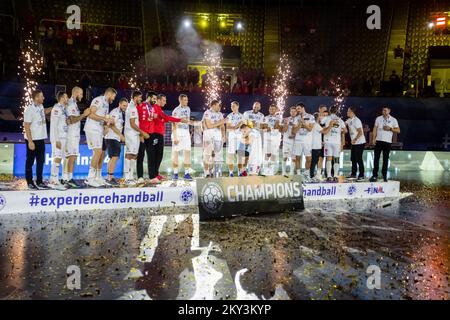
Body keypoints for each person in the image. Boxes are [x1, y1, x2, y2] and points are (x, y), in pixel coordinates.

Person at [148, 94, 185, 183]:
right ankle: (152, 176)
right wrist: (179, 120)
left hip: (160, 134)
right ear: (159, 100)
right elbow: (165, 118)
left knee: (159, 155)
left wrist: (163, 119)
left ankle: (156, 174)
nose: (165, 102)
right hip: (154, 134)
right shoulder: (155, 108)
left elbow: (164, 119)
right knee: (153, 156)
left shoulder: (159, 109)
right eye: (164, 100)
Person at [83, 87, 116, 187]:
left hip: (99, 130)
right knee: (97, 151)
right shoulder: (99, 100)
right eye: (113, 96)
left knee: (101, 153)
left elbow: (104, 119)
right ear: (109, 94)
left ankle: (97, 176)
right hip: (92, 128)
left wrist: (106, 125)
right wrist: (104, 119)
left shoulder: (106, 104)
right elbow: (90, 114)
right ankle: (90, 178)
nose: (114, 99)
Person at [23, 89, 52, 190]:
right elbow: (26, 126)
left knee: (41, 161)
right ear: (36, 98)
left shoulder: (40, 106)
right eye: (42, 96)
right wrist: (30, 141)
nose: (43, 98)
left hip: (40, 139)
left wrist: (53, 108)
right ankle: (29, 181)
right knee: (30, 161)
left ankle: (39, 181)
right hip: (32, 139)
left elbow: (43, 112)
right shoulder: (29, 110)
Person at [63, 86, 89, 188]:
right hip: (71, 135)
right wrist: (84, 115)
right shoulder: (70, 103)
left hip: (74, 134)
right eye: (81, 94)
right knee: (72, 157)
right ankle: (68, 179)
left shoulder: (74, 104)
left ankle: (67, 178)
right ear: (76, 93)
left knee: (71, 156)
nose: (82, 96)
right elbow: (72, 120)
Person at [370, 106, 400, 182]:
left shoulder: (393, 120)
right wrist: (373, 138)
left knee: (385, 159)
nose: (384, 112)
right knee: (376, 158)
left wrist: (390, 129)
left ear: (389, 111)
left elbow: (398, 130)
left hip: (387, 142)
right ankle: (374, 175)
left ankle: (384, 175)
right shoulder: (378, 118)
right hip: (379, 141)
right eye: (383, 110)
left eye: (386, 110)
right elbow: (375, 128)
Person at [48, 91, 69, 190]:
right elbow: (54, 125)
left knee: (59, 158)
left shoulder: (63, 109)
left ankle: (54, 179)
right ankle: (53, 181)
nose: (67, 99)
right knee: (57, 157)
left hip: (63, 137)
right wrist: (57, 140)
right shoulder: (56, 108)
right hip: (58, 138)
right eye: (66, 97)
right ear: (61, 98)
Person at [104, 98, 127, 186]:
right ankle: (110, 177)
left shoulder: (121, 113)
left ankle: (109, 177)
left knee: (114, 157)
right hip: (112, 137)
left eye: (126, 106)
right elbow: (111, 125)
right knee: (114, 157)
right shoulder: (115, 112)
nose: (125, 107)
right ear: (120, 104)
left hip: (114, 138)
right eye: (124, 105)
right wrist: (121, 135)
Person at [124, 91, 145, 185]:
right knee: (129, 154)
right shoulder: (131, 107)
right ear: (135, 97)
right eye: (140, 97)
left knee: (134, 155)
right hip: (130, 134)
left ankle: (131, 176)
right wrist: (142, 132)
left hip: (135, 134)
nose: (141, 99)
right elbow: (132, 124)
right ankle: (127, 177)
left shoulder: (134, 107)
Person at [321, 105, 347, 182]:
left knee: (329, 158)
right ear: (336, 111)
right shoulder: (340, 120)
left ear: (329, 111)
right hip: (337, 142)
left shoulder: (326, 118)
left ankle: (329, 176)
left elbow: (321, 123)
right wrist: (339, 130)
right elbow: (345, 131)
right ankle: (335, 175)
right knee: (336, 159)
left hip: (328, 141)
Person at [136, 91, 157, 183]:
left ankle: (152, 176)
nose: (155, 101)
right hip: (142, 134)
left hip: (150, 134)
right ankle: (140, 176)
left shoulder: (153, 107)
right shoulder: (140, 105)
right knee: (141, 155)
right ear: (148, 97)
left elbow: (152, 120)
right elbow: (137, 120)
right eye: (154, 98)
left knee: (151, 156)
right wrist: (140, 134)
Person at [171, 94, 193, 181]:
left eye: (187, 100)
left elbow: (187, 121)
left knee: (187, 152)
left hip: (186, 132)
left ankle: (186, 173)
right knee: (176, 153)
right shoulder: (176, 111)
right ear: (180, 100)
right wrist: (175, 137)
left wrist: (189, 132)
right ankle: (175, 173)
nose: (186, 101)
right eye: (184, 100)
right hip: (178, 132)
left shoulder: (188, 109)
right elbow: (174, 124)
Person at [202, 100, 225, 178]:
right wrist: (220, 122)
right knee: (207, 155)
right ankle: (206, 173)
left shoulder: (220, 114)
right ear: (213, 105)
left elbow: (222, 126)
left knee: (216, 155)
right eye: (218, 105)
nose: (220, 107)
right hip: (208, 135)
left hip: (217, 136)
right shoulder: (207, 113)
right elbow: (209, 126)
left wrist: (224, 136)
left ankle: (213, 172)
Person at [292, 103, 315, 180]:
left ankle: (306, 174)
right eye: (296, 109)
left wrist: (304, 124)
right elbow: (294, 131)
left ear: (303, 108)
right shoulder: (296, 118)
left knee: (309, 159)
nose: (297, 110)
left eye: (298, 108)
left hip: (307, 141)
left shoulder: (310, 117)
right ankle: (298, 175)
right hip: (298, 141)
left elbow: (310, 129)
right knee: (297, 158)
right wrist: (299, 124)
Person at [346, 106, 366, 181]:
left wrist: (355, 139)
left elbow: (360, 132)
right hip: (354, 143)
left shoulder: (356, 120)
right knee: (353, 159)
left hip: (360, 142)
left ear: (352, 112)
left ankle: (362, 175)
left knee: (358, 159)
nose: (347, 112)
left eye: (348, 111)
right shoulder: (349, 120)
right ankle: (353, 174)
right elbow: (343, 125)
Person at [261, 104, 282, 175]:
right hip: (267, 138)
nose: (271, 110)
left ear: (276, 110)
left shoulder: (280, 117)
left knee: (273, 154)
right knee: (267, 154)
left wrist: (271, 127)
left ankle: (272, 170)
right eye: (270, 109)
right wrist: (270, 128)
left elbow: (278, 127)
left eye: (273, 109)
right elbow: (264, 127)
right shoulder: (265, 117)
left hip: (276, 138)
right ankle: (265, 169)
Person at [225, 101, 244, 177]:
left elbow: (243, 127)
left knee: (240, 155)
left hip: (240, 137)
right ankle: (231, 172)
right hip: (232, 137)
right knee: (231, 155)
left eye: (234, 106)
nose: (232, 107)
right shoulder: (229, 116)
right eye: (231, 106)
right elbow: (228, 127)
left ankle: (240, 172)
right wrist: (237, 126)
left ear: (238, 106)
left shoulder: (242, 116)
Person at [281, 106, 298, 176]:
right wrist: (286, 124)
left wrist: (294, 135)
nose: (293, 113)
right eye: (292, 111)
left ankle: (291, 172)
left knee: (294, 158)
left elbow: (300, 131)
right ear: (290, 112)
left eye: (294, 111)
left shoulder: (299, 120)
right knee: (285, 157)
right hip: (287, 141)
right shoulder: (286, 119)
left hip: (295, 142)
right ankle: (283, 172)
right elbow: (283, 130)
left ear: (296, 112)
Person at [310, 112, 325, 181]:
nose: (321, 117)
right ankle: (312, 176)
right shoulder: (316, 125)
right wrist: (330, 125)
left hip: (315, 145)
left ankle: (312, 175)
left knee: (314, 161)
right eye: (320, 116)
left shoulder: (314, 125)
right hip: (315, 146)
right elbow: (325, 132)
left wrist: (320, 142)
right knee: (314, 161)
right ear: (317, 118)